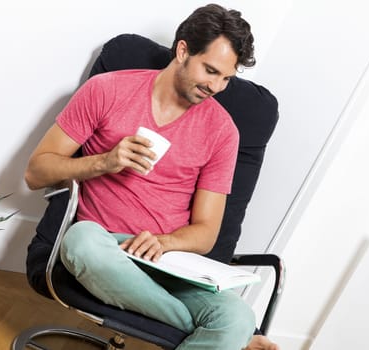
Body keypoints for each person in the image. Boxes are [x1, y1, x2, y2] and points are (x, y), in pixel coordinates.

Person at [25, 3, 279, 350]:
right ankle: (229, 340)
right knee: (80, 241)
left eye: (227, 78)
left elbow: (206, 232)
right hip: (105, 250)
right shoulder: (107, 90)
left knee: (238, 316)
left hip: (169, 263)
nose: (217, 86)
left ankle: (233, 334)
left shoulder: (222, 132)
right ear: (183, 50)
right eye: (210, 70)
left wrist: (165, 242)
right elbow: (35, 172)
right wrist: (104, 162)